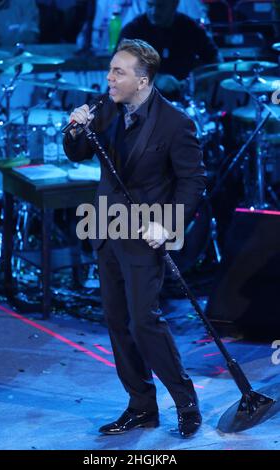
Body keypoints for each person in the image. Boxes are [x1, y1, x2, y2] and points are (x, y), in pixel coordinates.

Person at [64, 39, 206, 438]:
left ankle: (184, 399)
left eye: (118, 72)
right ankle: (141, 405)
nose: (109, 78)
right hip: (106, 229)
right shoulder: (104, 108)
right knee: (116, 320)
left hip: (146, 232)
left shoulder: (176, 124)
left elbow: (194, 182)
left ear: (142, 80)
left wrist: (170, 223)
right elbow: (76, 153)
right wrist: (76, 129)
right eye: (110, 70)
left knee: (144, 320)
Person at [117, 0, 220, 98]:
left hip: (181, 100)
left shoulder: (189, 27)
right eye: (150, 5)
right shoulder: (133, 30)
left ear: (175, 4)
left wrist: (196, 81)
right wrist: (155, 79)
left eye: (160, 6)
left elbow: (214, 60)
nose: (153, 12)